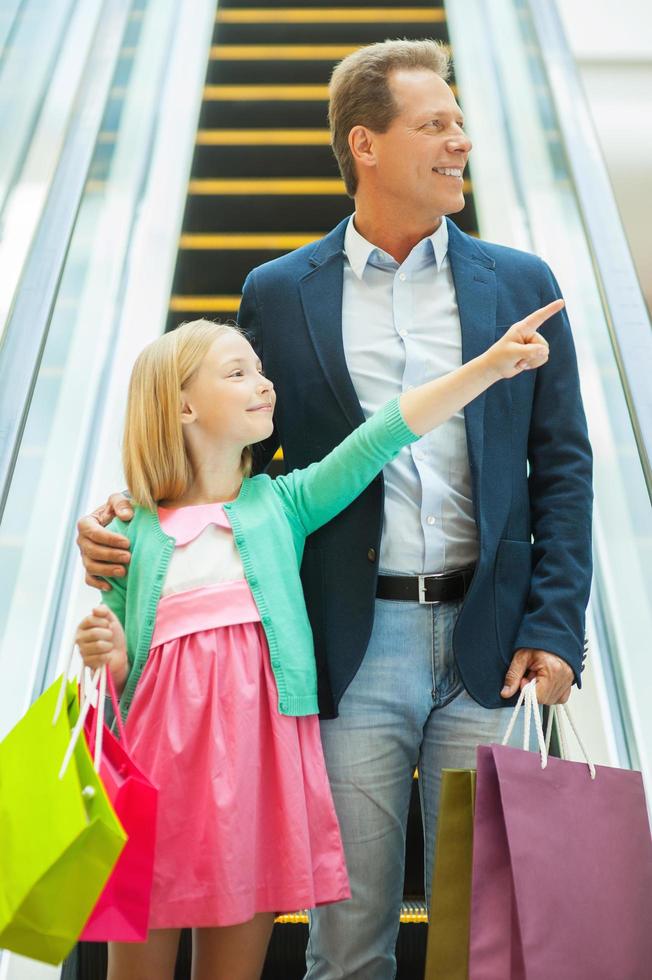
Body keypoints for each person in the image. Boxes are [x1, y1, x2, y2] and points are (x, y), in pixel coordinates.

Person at [77, 39, 592, 980]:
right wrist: (136, 512)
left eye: (463, 123)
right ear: (366, 143)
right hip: (351, 650)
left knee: (487, 942)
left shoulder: (521, 285)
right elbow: (243, 472)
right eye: (435, 124)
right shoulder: (279, 293)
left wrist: (557, 629)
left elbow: (563, 470)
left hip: (494, 641)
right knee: (347, 941)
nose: (460, 143)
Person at [74, 314, 552, 980]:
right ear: (182, 406)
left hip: (254, 779)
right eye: (237, 372)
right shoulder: (132, 531)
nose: (264, 384)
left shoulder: (283, 505)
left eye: (261, 370)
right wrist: (108, 650)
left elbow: (385, 432)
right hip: (153, 786)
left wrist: (488, 366)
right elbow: (123, 673)